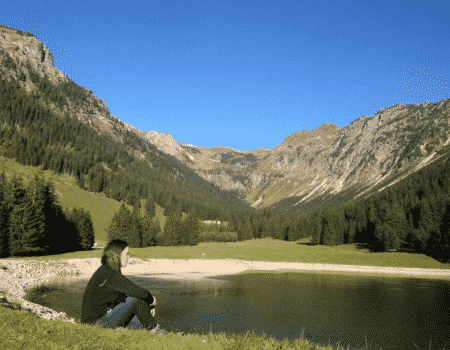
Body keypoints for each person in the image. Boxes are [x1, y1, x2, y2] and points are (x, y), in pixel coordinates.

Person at [80, 239, 167, 335]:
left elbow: (121, 298)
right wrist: (151, 301)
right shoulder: (111, 275)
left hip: (93, 323)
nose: (129, 257)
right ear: (117, 255)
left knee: (139, 308)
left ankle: (151, 329)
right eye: (126, 254)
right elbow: (140, 293)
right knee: (136, 299)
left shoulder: (105, 271)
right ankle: (156, 332)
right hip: (96, 326)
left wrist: (147, 307)